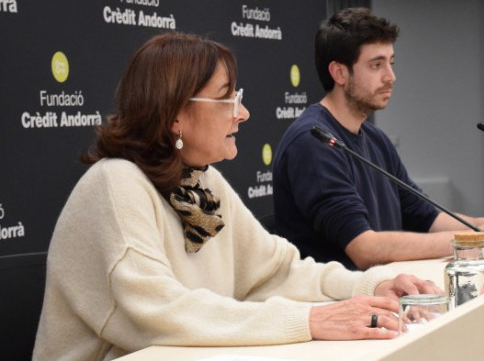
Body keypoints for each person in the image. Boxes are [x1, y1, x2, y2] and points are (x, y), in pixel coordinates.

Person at [32, 32, 440, 361]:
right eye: (227, 98)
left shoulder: (203, 182)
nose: (241, 113)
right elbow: (160, 313)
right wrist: (311, 320)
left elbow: (277, 272)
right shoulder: (116, 183)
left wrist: (371, 286)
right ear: (175, 113)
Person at [272, 8, 484, 270]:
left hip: (383, 293)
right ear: (340, 73)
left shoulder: (376, 139)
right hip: (337, 305)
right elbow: (364, 248)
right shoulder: (313, 142)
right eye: (376, 65)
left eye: (391, 63)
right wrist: (478, 238)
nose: (391, 77)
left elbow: (427, 217)